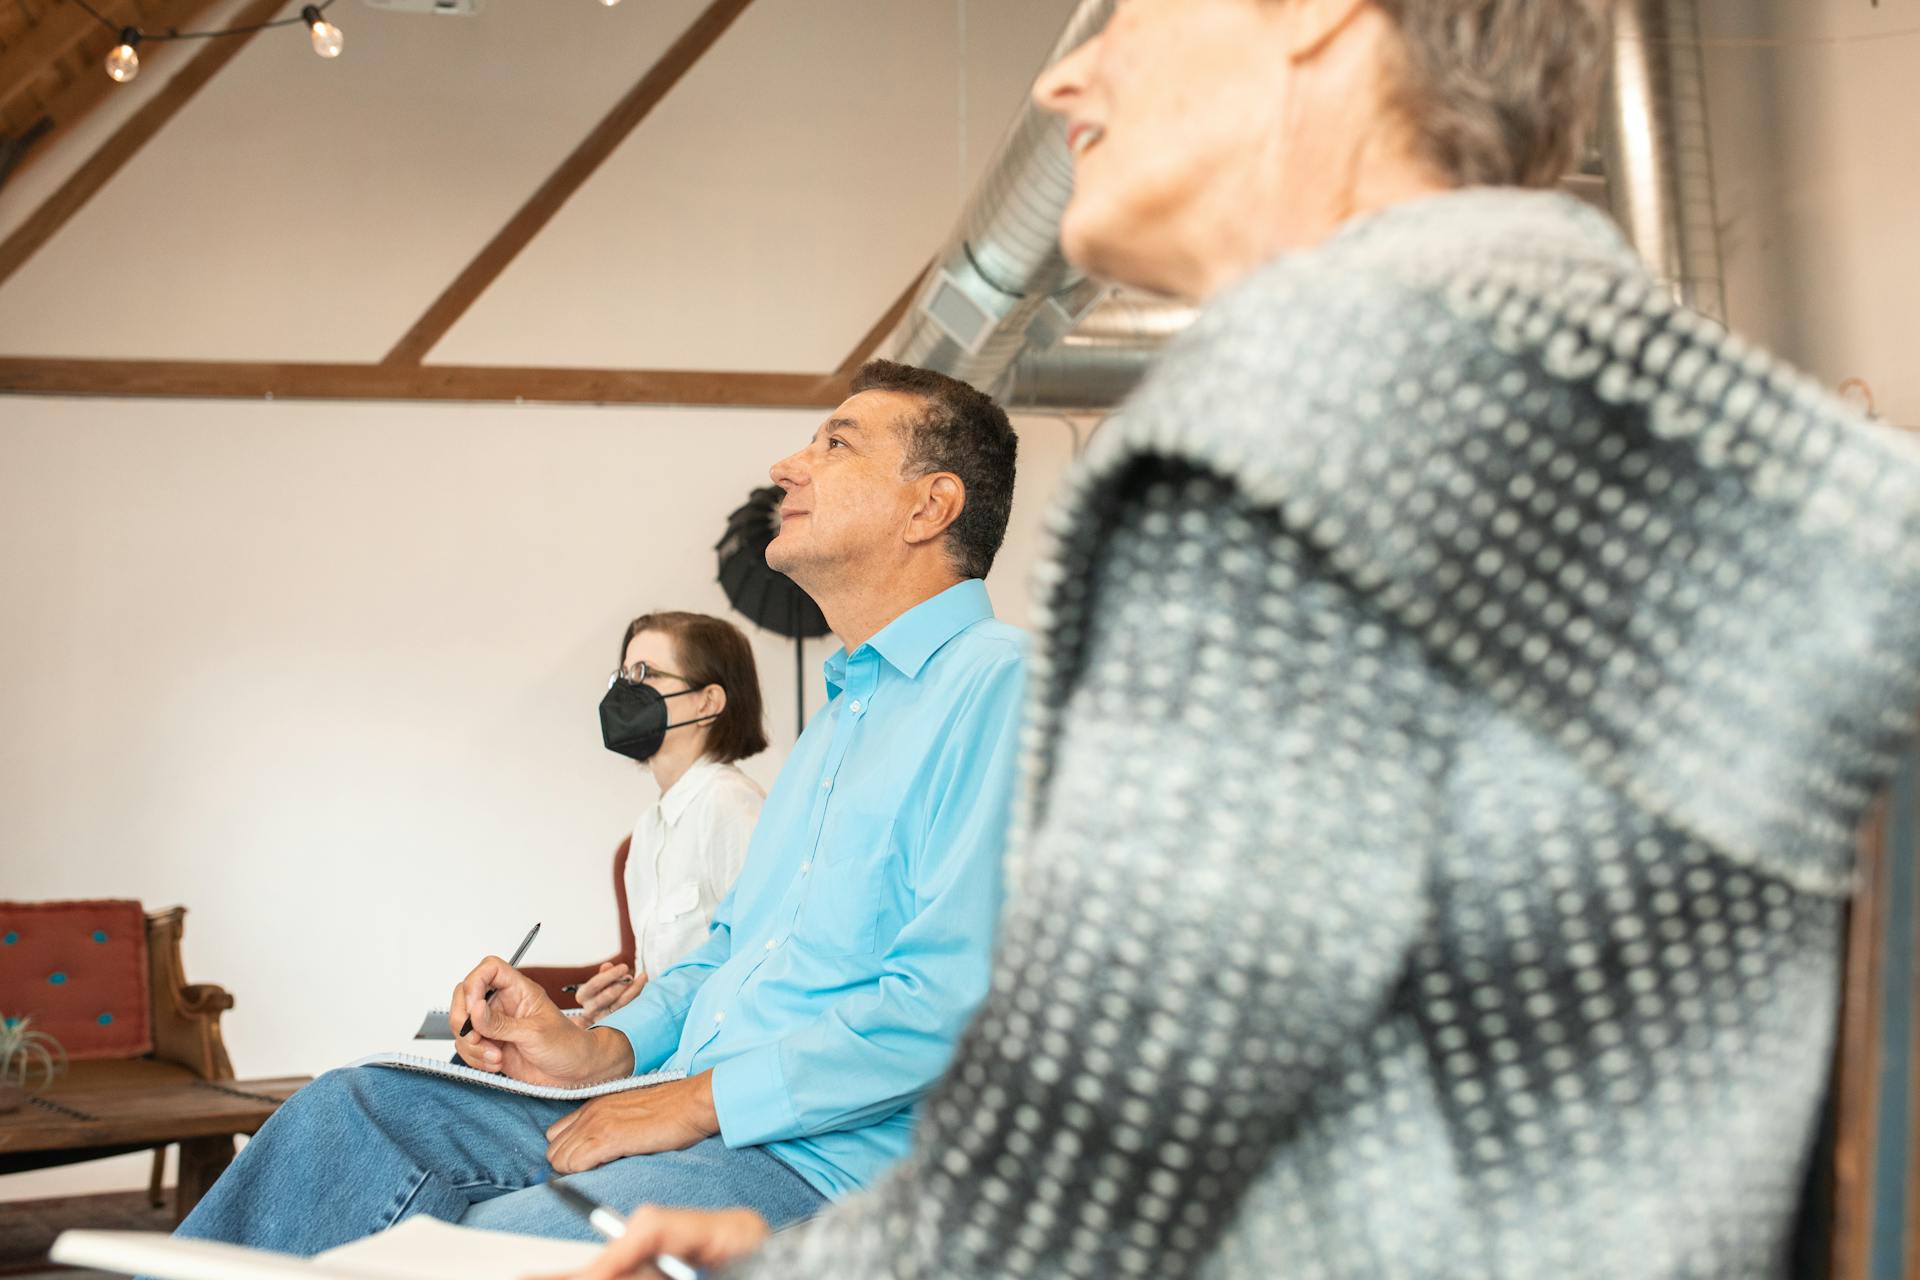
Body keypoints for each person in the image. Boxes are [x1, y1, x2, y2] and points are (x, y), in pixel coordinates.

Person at [568, 2, 1920, 1277]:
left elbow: (1121, 1138)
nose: (1062, 77)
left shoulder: (1273, 441)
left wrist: (829, 1259)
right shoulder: (1802, 470)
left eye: (1129, 15)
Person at [172, 359, 1025, 1250]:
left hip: (824, 1160)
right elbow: (727, 955)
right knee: (352, 1111)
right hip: (692, 1104)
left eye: (835, 443)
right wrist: (602, 1053)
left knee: (497, 1239)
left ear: (930, 507)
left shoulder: (1001, 687)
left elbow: (950, 1004)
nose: (788, 465)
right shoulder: (835, 726)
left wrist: (691, 1103)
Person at [573, 611, 768, 1024]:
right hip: (659, 1048)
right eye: (622, 676)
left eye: (644, 673)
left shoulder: (730, 804)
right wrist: (618, 1005)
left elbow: (762, 960)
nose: (626, 691)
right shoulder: (647, 829)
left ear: (707, 701)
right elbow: (655, 976)